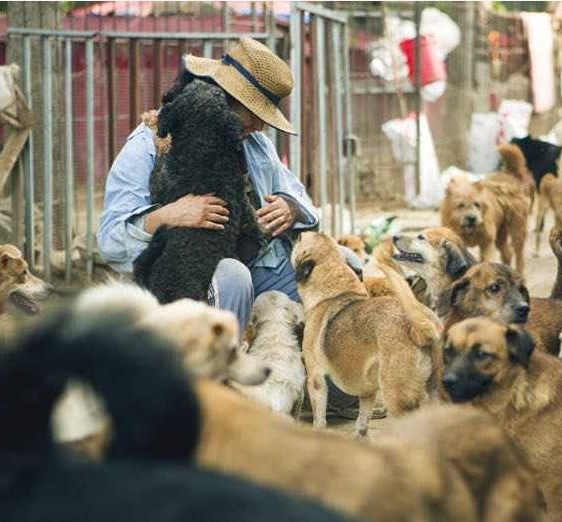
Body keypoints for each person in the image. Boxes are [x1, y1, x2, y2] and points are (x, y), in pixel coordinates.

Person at [98, 38, 365, 418]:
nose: (260, 124)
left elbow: (303, 201)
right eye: (254, 112)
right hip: (187, 271)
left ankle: (334, 380)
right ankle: (216, 395)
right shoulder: (152, 140)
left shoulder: (254, 142)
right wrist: (171, 213)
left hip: (262, 258)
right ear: (225, 99)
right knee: (234, 276)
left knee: (346, 262)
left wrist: (291, 209)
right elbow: (110, 240)